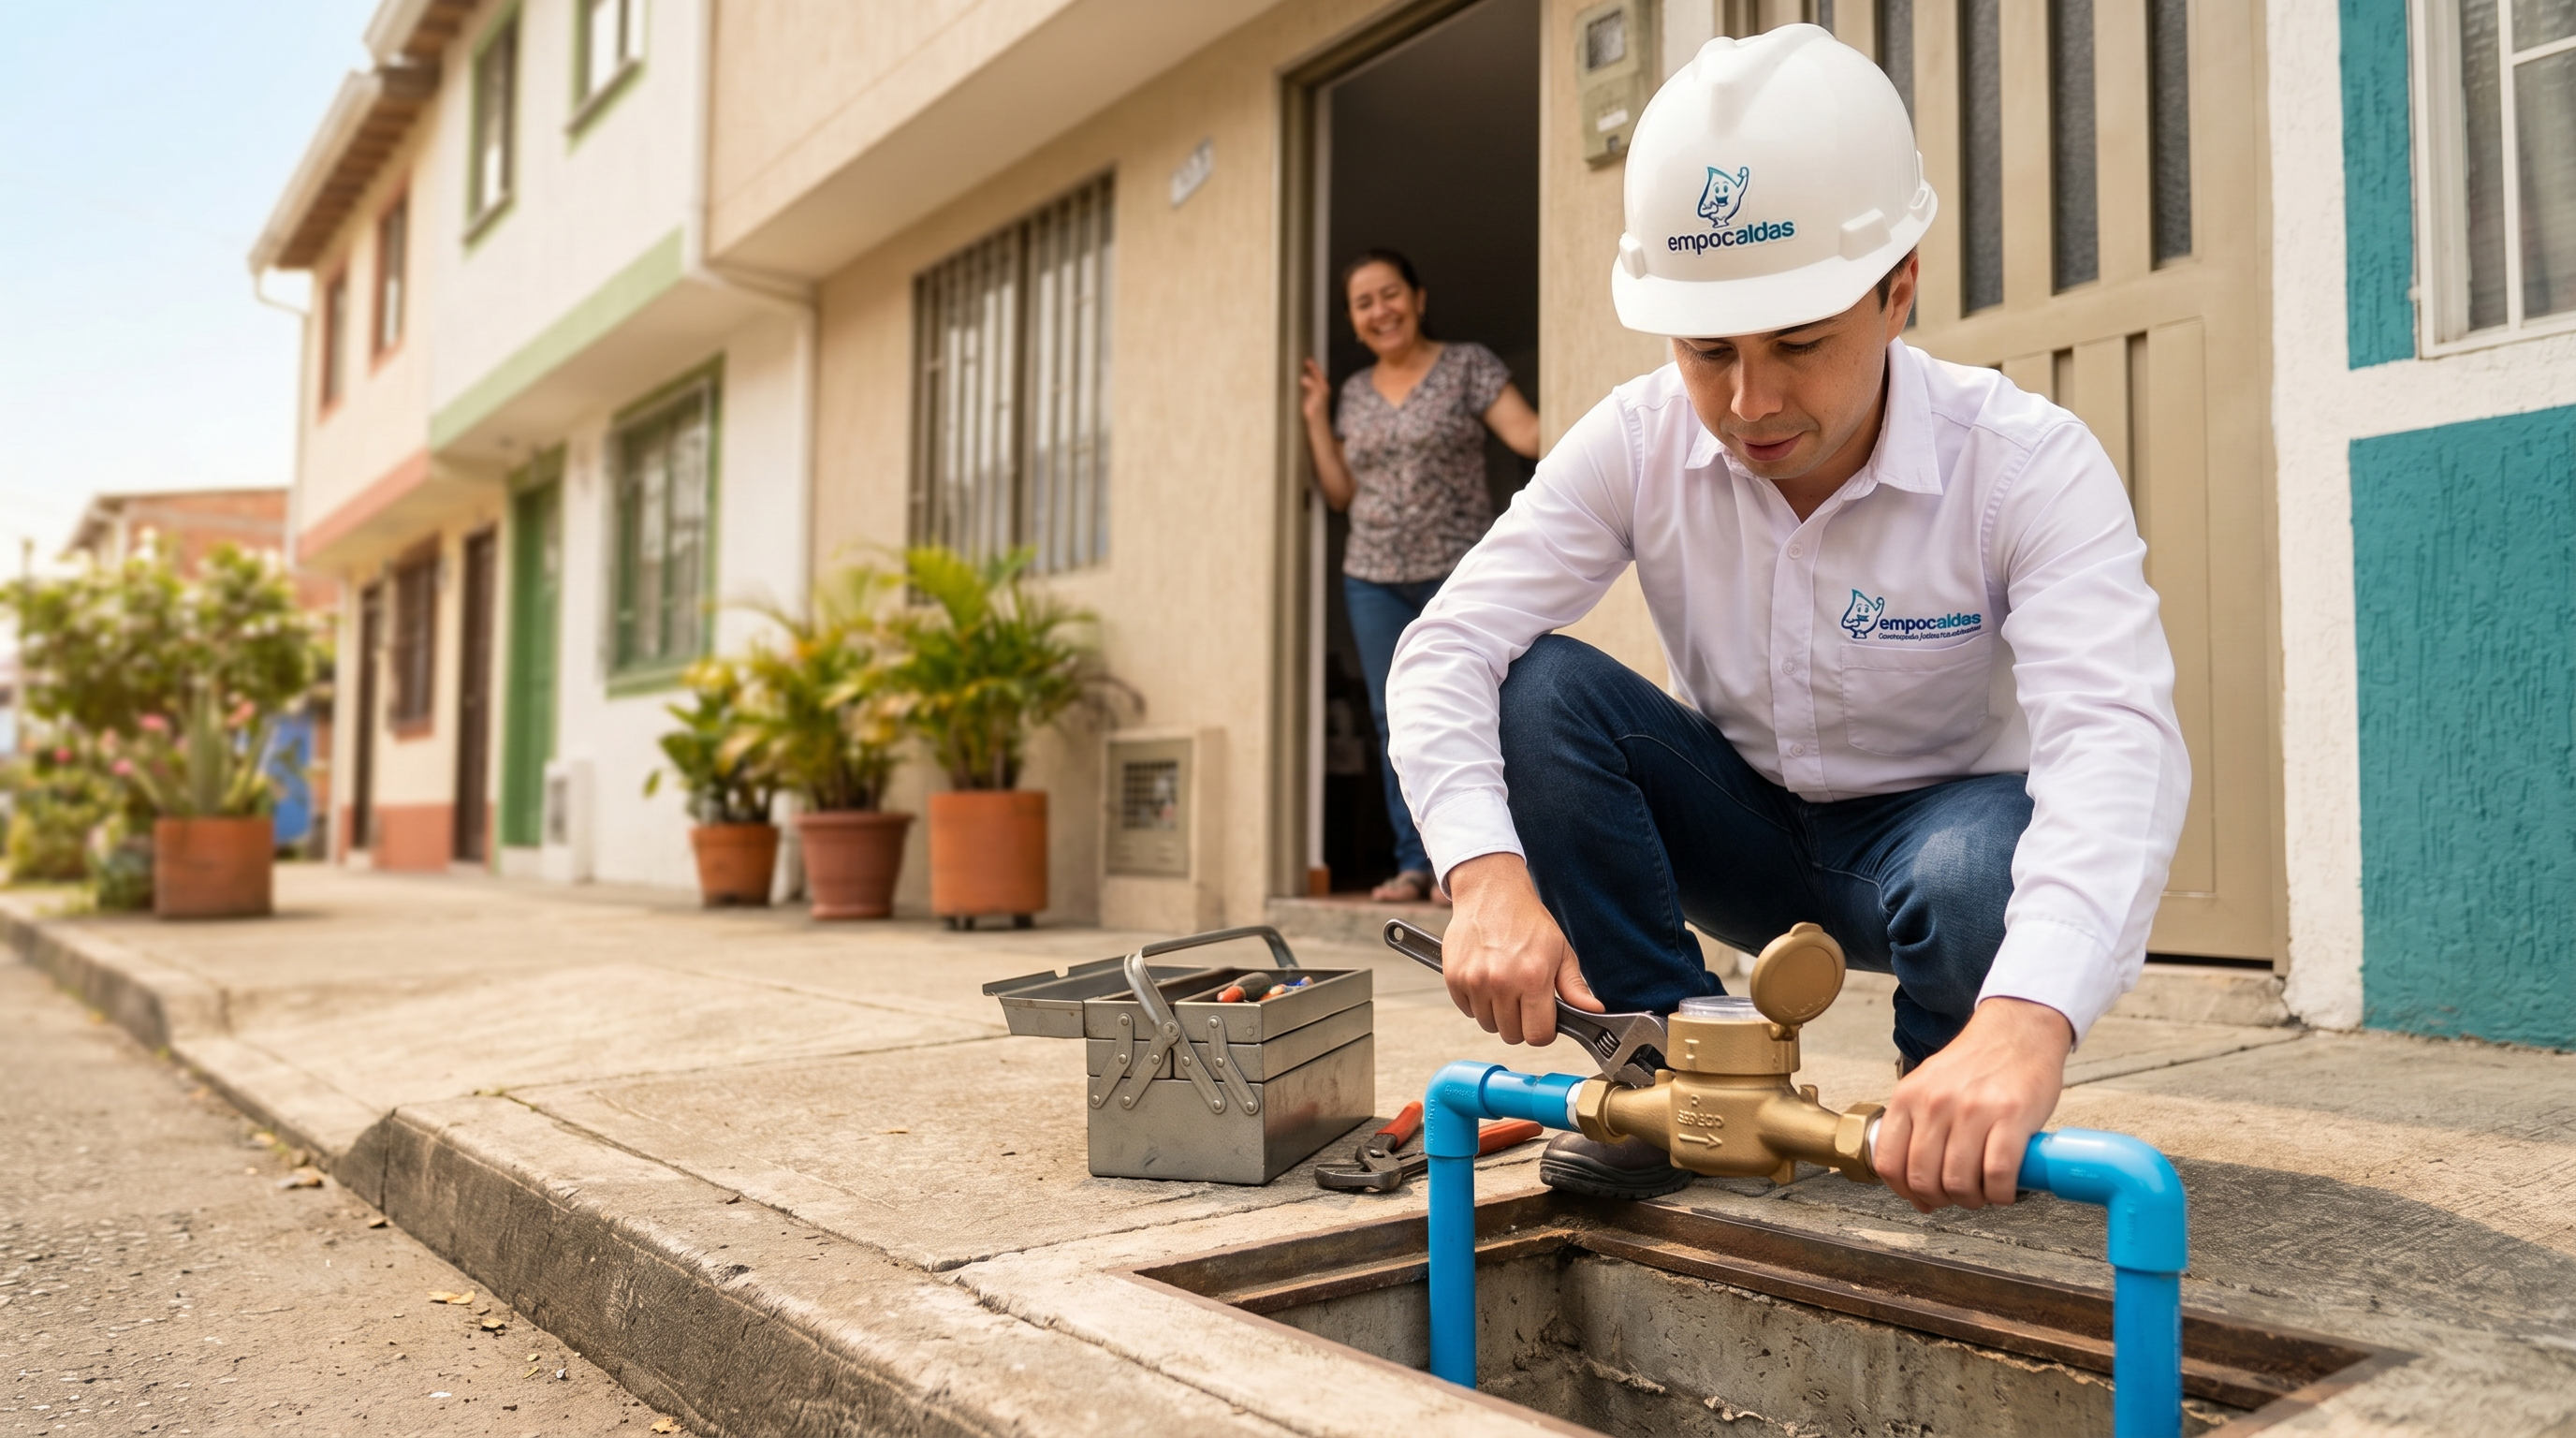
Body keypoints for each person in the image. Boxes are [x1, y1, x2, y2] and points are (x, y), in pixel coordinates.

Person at [1384, 26, 2188, 1212]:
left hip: (1939, 847)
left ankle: (1943, 1097)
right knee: (1536, 687)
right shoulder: (1637, 438)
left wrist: (2030, 1019)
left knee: (1979, 864)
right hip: (1743, 828)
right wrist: (1485, 875)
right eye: (1708, 352)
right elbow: (1446, 646)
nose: (1749, 404)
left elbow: (2118, 739)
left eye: (1799, 344)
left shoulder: (2022, 464)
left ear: (1897, 288)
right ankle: (1660, 1074)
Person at [1300, 249, 1541, 904]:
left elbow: (1529, 436)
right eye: (1364, 302)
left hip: (1458, 569)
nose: (1381, 311)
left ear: (1419, 297)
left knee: (1472, 710)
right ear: (1353, 320)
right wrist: (1317, 417)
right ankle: (1418, 864)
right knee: (1393, 720)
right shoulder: (1352, 394)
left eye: (1390, 294)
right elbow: (1341, 493)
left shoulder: (1469, 366)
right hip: (1371, 575)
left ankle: (1483, 861)